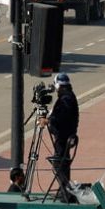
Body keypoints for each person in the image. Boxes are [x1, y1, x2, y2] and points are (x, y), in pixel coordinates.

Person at [40, 72, 79, 201]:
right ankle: (65, 191)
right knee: (62, 164)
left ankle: (66, 192)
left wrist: (49, 121)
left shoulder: (66, 99)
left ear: (59, 85)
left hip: (63, 138)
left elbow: (62, 118)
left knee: (59, 165)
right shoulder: (68, 96)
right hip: (65, 137)